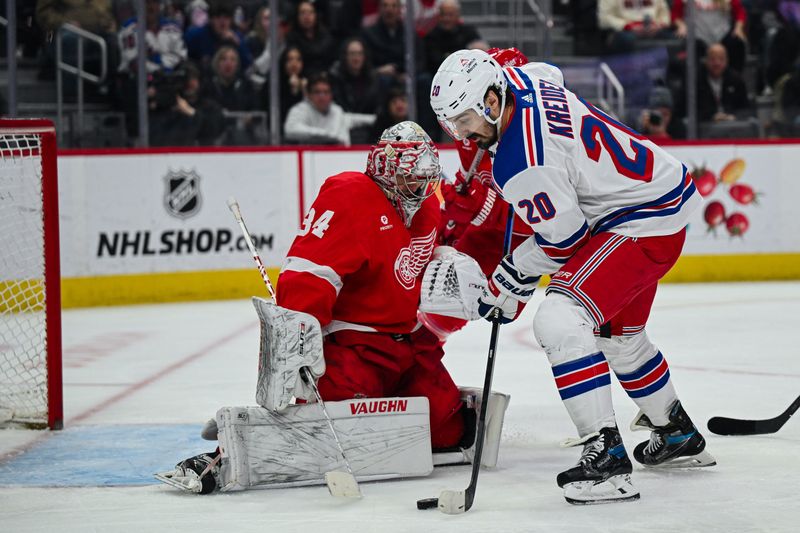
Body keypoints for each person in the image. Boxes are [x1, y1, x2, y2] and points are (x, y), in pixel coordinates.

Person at [430, 49, 716, 504]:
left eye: (465, 120)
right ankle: (676, 433)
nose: (462, 133)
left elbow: (565, 241)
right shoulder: (524, 80)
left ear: (489, 98)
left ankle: (607, 460)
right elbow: (551, 73)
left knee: (560, 320)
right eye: (452, 125)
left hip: (639, 224)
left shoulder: (521, 164)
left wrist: (507, 278)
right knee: (620, 339)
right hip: (658, 195)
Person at [159, 121, 507, 494]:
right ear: (386, 171)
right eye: (411, 179)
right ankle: (223, 454)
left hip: (407, 345)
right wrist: (298, 343)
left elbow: (419, 269)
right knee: (340, 429)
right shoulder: (351, 195)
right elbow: (308, 274)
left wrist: (454, 271)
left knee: (448, 427)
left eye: (426, 179)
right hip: (352, 347)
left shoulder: (426, 211)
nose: (420, 189)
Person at [284, 72, 375, 145]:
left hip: (340, 158)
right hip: (311, 160)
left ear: (331, 95)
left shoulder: (337, 111)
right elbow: (291, 129)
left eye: (326, 92)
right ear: (308, 94)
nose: (322, 96)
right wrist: (327, 135)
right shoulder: (300, 109)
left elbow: (359, 119)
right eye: (317, 92)